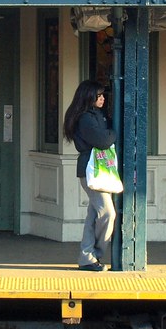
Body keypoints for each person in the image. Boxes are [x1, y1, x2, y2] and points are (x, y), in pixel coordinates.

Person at [63, 79, 117, 272]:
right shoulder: (85, 118)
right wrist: (114, 133)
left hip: (99, 169)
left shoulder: (97, 115)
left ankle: (87, 257)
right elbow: (102, 141)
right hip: (91, 170)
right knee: (108, 213)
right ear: (88, 97)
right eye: (99, 95)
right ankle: (96, 254)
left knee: (94, 214)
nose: (102, 99)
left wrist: (108, 132)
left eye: (103, 95)